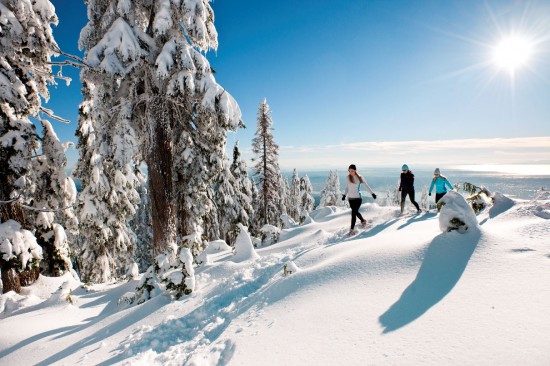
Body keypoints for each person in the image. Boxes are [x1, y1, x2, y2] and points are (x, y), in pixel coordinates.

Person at [342, 164, 377, 235]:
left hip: (358, 199)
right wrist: (344, 195)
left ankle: (351, 230)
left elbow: (366, 185)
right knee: (356, 212)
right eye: (349, 171)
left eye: (352, 170)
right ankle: (363, 221)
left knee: (353, 214)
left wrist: (372, 193)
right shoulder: (347, 177)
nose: (350, 172)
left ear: (355, 170)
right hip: (350, 199)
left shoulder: (359, 178)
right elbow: (347, 187)